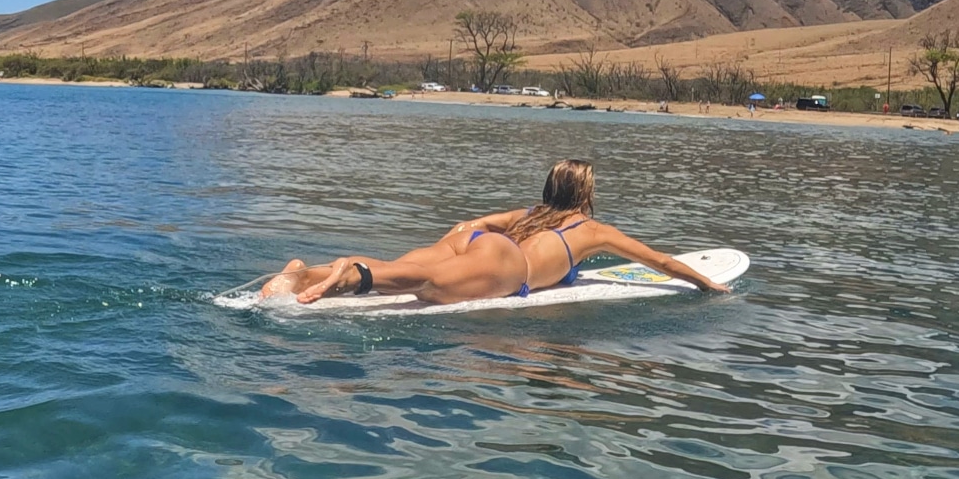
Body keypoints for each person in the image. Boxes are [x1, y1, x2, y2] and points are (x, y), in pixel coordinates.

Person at [261, 159, 730, 304]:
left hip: (477, 243)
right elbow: (661, 262)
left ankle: (301, 274)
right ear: (584, 194)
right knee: (423, 287)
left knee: (405, 267)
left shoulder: (530, 213)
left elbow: (477, 225)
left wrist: (455, 238)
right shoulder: (592, 230)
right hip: (508, 265)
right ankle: (344, 277)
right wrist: (707, 284)